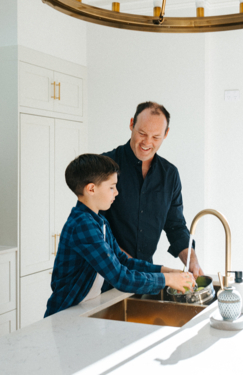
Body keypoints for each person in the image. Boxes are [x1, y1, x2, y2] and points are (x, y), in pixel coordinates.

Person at [44, 154, 194, 318]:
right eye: (111, 187)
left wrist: (166, 270)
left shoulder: (99, 222)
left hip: (84, 308)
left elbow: (123, 261)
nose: (116, 192)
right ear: (91, 189)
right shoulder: (83, 226)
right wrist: (167, 280)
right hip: (64, 315)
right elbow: (120, 277)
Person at [102, 101, 204, 278]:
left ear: (166, 134)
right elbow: (96, 229)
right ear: (131, 124)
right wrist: (132, 266)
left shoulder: (169, 174)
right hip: (105, 276)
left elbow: (176, 227)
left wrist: (192, 262)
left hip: (144, 278)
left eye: (156, 137)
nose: (147, 142)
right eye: (142, 133)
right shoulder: (104, 166)